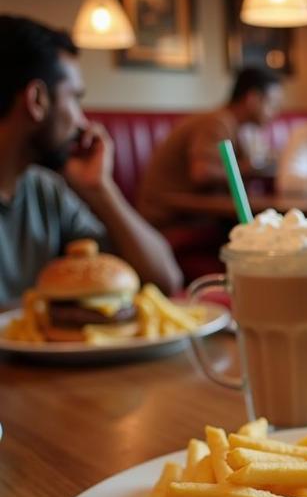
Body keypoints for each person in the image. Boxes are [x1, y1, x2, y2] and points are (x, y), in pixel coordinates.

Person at [0, 15, 181, 307]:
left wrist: (100, 189)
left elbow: (165, 281)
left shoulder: (46, 191)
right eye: (75, 98)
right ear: (37, 100)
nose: (82, 121)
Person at [138, 68, 283, 227]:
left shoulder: (235, 127)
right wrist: (252, 168)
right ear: (252, 99)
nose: (275, 112)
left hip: (190, 214)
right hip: (167, 217)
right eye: (272, 103)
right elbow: (202, 173)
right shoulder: (216, 123)